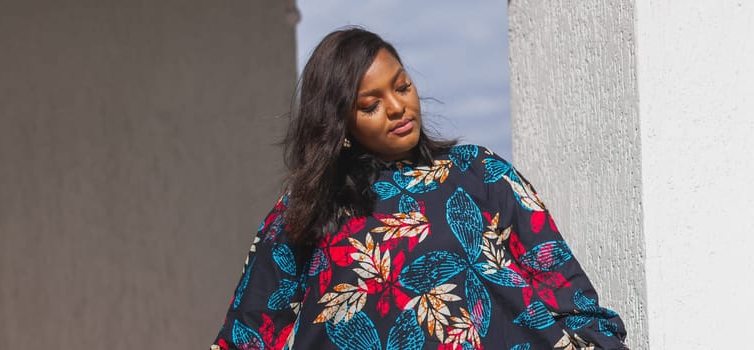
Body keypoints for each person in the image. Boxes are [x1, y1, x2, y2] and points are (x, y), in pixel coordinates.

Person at [210, 27, 628, 350]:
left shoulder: (479, 174)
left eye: (402, 86)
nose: (396, 107)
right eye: (370, 105)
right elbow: (250, 333)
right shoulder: (303, 213)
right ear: (341, 127)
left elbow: (568, 294)